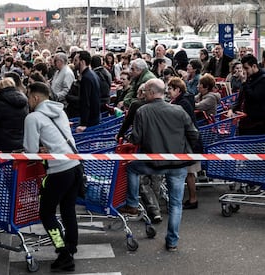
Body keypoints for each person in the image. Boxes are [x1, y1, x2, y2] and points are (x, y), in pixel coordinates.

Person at [118, 78, 199, 252]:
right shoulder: (178, 110)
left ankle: (132, 202)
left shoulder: (143, 111)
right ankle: (172, 241)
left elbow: (136, 138)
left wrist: (128, 139)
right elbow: (193, 133)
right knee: (176, 204)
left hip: (154, 162)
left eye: (146, 91)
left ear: (152, 92)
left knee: (131, 168)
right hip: (179, 163)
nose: (144, 94)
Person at [23, 82, 83, 272]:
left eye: (28, 96)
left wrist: (38, 150)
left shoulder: (33, 118)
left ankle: (62, 251)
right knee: (68, 210)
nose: (28, 100)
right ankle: (71, 248)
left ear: (35, 97)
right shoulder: (60, 111)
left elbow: (30, 150)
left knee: (47, 214)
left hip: (58, 170)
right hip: (75, 165)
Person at [167, 77, 203, 210]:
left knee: (189, 172)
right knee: (189, 172)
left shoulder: (182, 103)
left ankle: (193, 199)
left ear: (177, 89)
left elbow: (185, 125)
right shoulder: (183, 100)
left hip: (190, 144)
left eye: (170, 88)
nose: (168, 91)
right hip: (190, 142)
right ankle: (191, 198)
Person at [227, 54, 265, 135]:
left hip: (257, 126)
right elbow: (240, 98)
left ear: (254, 66)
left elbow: (254, 97)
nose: (244, 71)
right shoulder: (248, 78)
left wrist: (244, 82)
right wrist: (232, 109)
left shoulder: (262, 80)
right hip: (244, 123)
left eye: (246, 68)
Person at [73, 50, 101, 132]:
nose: (73, 63)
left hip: (90, 120)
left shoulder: (86, 78)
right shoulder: (92, 74)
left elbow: (85, 101)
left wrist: (83, 124)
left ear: (82, 62)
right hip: (94, 117)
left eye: (76, 60)